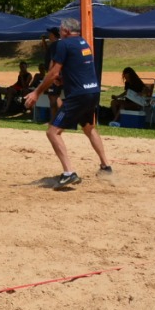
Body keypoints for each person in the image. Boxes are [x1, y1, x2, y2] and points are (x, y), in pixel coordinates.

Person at [23, 18, 111, 188]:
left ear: (66, 31)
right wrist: (63, 80)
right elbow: (78, 68)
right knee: (89, 128)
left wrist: (36, 92)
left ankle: (69, 173)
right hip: (92, 91)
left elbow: (53, 72)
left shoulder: (63, 44)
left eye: (61, 28)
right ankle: (106, 166)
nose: (59, 31)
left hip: (78, 95)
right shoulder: (83, 43)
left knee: (52, 132)